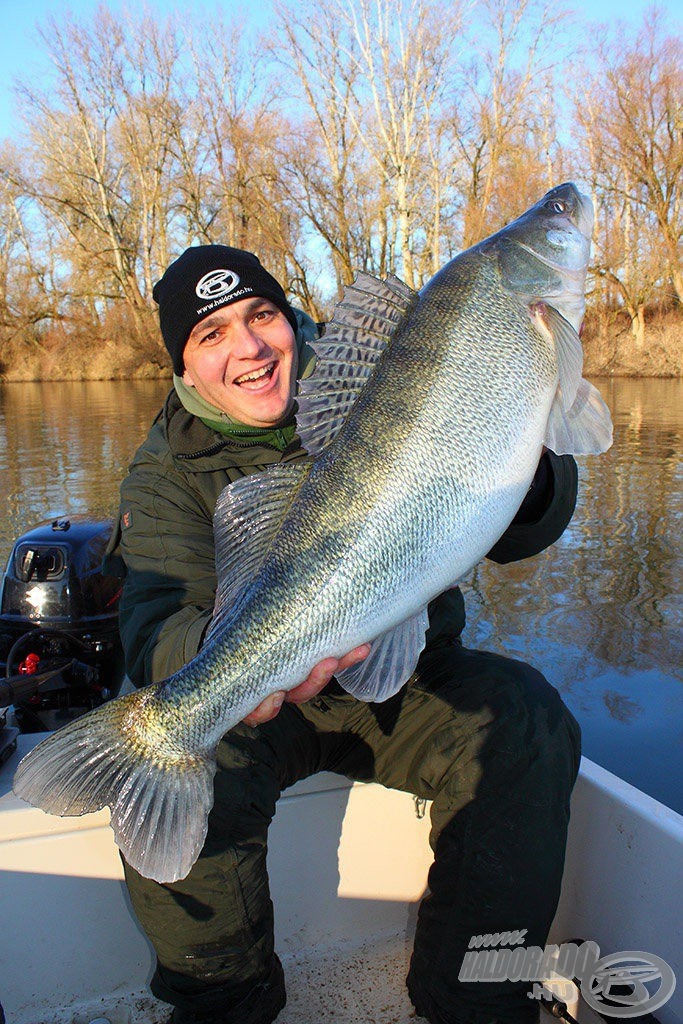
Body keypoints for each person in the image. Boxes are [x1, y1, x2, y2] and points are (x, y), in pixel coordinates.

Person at [104, 245, 581, 1024]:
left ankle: (475, 998)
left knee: (525, 721)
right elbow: (155, 628)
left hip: (404, 678)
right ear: (184, 369)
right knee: (195, 760)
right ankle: (230, 1005)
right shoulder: (163, 476)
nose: (250, 349)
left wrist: (530, 473)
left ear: (289, 320)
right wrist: (237, 673)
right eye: (211, 334)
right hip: (268, 703)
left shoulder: (382, 377)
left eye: (261, 316)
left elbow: (516, 529)